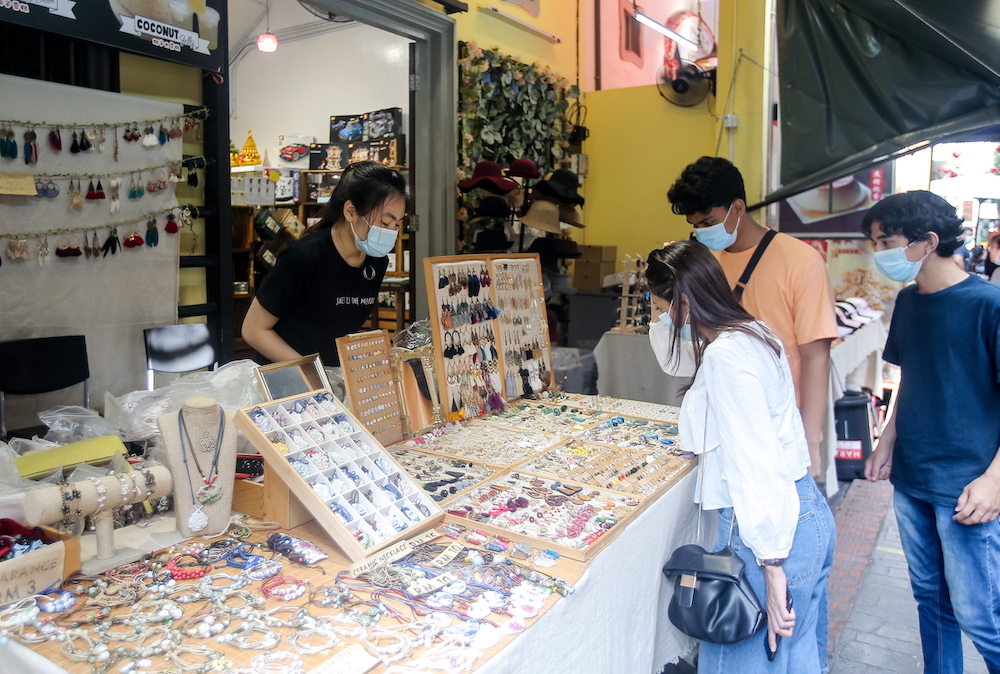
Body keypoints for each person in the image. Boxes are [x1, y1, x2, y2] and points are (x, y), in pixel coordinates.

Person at [647, 240, 835, 673]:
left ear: (684, 305)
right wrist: (666, 309)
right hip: (803, 513)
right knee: (798, 659)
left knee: (737, 662)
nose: (661, 316)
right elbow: (676, 362)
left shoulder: (727, 357)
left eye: (661, 305)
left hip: (769, 534)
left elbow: (756, 463)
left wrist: (771, 566)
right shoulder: (752, 332)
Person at [862, 191, 1000, 673]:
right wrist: (886, 441)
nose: (878, 252)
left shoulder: (990, 305)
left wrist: (994, 480)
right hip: (913, 478)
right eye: (875, 242)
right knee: (931, 602)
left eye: (887, 241)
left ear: (928, 242)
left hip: (968, 486)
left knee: (982, 617)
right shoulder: (908, 301)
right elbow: (911, 377)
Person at [667, 157, 838, 484]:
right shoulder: (705, 261)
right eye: (695, 225)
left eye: (708, 222)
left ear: (738, 208)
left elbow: (817, 356)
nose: (701, 232)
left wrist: (810, 441)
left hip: (776, 427)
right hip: (720, 422)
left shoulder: (801, 261)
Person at [242, 162, 407, 366]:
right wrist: (312, 373)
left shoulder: (376, 262)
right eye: (384, 223)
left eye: (397, 224)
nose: (392, 232)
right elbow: (253, 329)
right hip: (283, 375)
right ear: (351, 211)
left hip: (331, 379)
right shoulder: (304, 257)